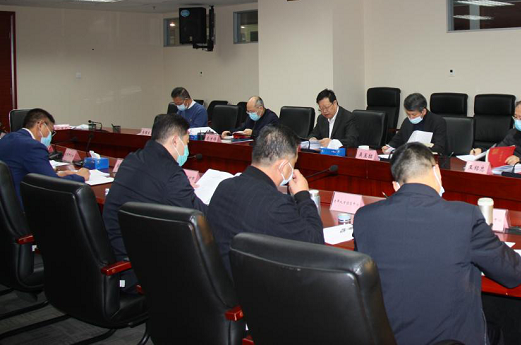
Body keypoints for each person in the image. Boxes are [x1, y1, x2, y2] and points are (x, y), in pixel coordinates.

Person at [354, 142, 521, 345]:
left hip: (390, 337)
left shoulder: (364, 217)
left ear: (395, 186)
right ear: (437, 171)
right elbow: (514, 274)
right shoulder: (465, 216)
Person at [207, 124, 324, 274]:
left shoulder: (224, 187)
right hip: (251, 286)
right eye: (294, 163)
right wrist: (303, 196)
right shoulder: (276, 205)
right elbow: (316, 246)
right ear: (283, 166)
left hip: (222, 279)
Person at [103, 114, 207, 268]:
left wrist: (181, 188)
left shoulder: (132, 158)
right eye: (186, 143)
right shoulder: (171, 173)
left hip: (115, 247)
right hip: (137, 264)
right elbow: (200, 216)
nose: (187, 148)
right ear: (175, 140)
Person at [0, 108, 88, 203]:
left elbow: (22, 170)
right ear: (41, 125)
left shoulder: (7, 138)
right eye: (50, 131)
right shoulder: (33, 146)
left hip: (8, 204)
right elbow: (53, 185)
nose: (50, 136)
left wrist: (58, 174)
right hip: (26, 205)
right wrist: (80, 177)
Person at [382, 93, 447, 156]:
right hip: (408, 158)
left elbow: (439, 147)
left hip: (429, 158)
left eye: (414, 114)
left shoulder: (438, 122)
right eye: (408, 114)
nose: (411, 117)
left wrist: (416, 150)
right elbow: (398, 138)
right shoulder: (407, 121)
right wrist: (389, 147)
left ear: (423, 111)